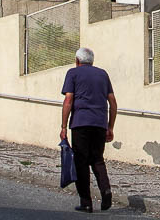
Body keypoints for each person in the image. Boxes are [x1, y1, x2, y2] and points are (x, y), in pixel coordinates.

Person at [61, 47, 117, 213]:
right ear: (92, 61)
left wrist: (63, 126)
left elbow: (68, 100)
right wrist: (110, 126)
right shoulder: (103, 74)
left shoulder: (73, 73)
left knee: (81, 162)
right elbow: (113, 103)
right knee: (97, 159)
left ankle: (86, 202)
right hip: (100, 123)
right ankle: (105, 190)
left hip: (80, 123)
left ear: (77, 60)